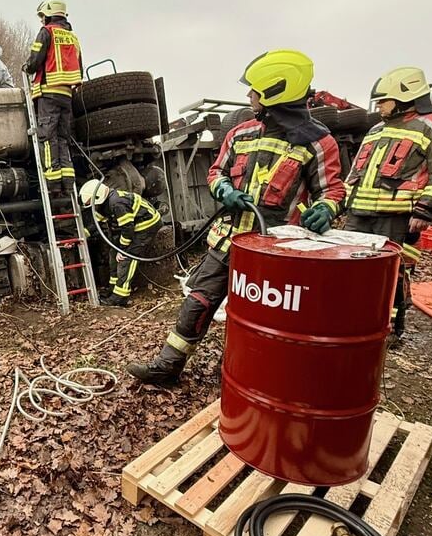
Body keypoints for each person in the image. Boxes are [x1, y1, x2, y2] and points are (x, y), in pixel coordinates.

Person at [126, 49, 346, 386]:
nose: (249, 96)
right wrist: (224, 189)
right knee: (197, 302)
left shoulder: (318, 142)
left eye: (254, 90)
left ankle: (252, 373)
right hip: (228, 241)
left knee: (265, 317)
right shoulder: (241, 133)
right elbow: (216, 173)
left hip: (275, 253)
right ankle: (167, 367)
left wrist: (326, 209)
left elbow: (332, 190)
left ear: (275, 92)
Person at [344, 67, 432, 344]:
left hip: (397, 217)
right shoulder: (375, 130)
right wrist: (339, 203)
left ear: (405, 98)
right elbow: (356, 173)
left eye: (384, 101)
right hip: (358, 214)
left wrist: (425, 210)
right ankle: (351, 321)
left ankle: (391, 329)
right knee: (349, 267)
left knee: (393, 274)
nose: (378, 106)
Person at [24, 0, 83, 197]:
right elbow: (79, 67)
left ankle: (53, 185)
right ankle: (68, 183)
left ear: (49, 15)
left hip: (48, 92)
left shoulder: (47, 32)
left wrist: (27, 67)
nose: (42, 20)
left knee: (47, 138)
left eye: (43, 16)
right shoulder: (73, 37)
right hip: (66, 95)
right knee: (63, 139)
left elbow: (34, 61)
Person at [79, 180, 162, 307]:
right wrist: (81, 236)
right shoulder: (104, 203)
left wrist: (122, 250)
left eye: (90, 201)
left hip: (146, 226)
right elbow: (96, 224)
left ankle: (120, 297)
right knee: (113, 255)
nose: (90, 205)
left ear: (97, 197)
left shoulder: (117, 203)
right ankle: (113, 289)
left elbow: (127, 229)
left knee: (126, 258)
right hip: (132, 227)